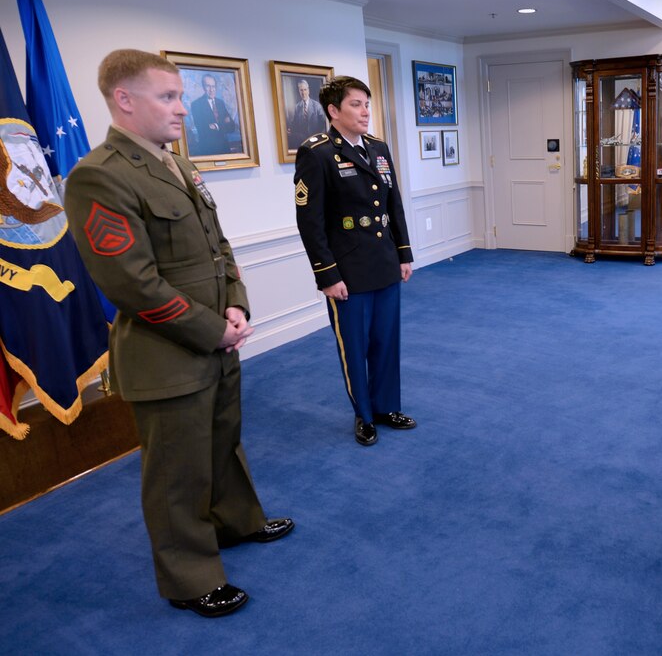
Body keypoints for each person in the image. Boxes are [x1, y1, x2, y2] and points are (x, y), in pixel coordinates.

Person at [64, 49, 293, 617]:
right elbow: (134, 285)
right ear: (124, 100)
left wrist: (235, 305)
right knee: (176, 470)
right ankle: (190, 578)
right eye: (168, 97)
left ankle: (236, 522)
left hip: (217, 339)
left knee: (221, 443)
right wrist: (213, 329)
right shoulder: (99, 176)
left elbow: (219, 248)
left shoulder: (176, 165)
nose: (182, 109)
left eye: (180, 96)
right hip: (167, 354)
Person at [293, 75, 416, 447]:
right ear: (333, 111)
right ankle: (364, 415)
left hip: (382, 262)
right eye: (356, 105)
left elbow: (393, 204)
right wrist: (327, 274)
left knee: (385, 341)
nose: (365, 112)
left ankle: (386, 407)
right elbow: (309, 221)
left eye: (367, 104)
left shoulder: (378, 147)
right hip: (347, 270)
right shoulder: (317, 153)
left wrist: (403, 253)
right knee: (355, 345)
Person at [188, 73, 237, 155]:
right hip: (208, 151)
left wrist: (216, 126)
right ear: (203, 87)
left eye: (213, 86)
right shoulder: (196, 105)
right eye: (208, 86)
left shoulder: (220, 103)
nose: (211, 90)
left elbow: (232, 126)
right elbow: (203, 130)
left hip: (225, 149)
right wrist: (223, 124)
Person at [287, 78, 325, 149]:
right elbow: (295, 123)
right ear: (299, 91)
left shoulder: (317, 106)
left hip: (316, 141)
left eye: (305, 90)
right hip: (302, 142)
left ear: (308, 90)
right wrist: (290, 129)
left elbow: (323, 125)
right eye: (301, 90)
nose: (303, 93)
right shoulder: (297, 107)